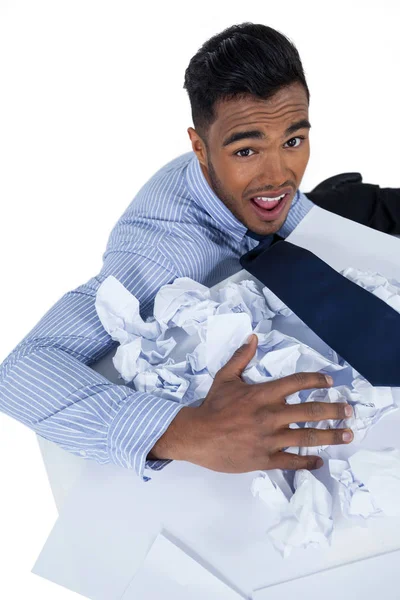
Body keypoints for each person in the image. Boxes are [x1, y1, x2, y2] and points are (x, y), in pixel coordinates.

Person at [1, 22, 368, 482]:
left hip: (304, 235)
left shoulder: (261, 183)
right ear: (199, 147)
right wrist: (188, 432)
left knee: (360, 214)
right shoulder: (164, 257)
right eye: (247, 151)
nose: (279, 173)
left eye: (293, 141)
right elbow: (20, 371)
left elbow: (305, 217)